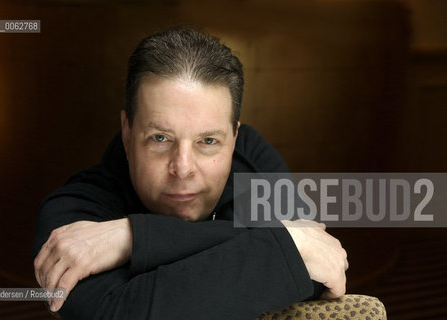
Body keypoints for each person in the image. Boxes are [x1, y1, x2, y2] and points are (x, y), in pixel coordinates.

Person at [33, 27, 348, 319]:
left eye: (208, 141)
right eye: (160, 138)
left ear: (234, 138)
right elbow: (121, 313)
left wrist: (132, 238)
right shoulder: (73, 214)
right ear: (127, 134)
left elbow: (317, 269)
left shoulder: (249, 155)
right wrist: (282, 248)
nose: (182, 168)